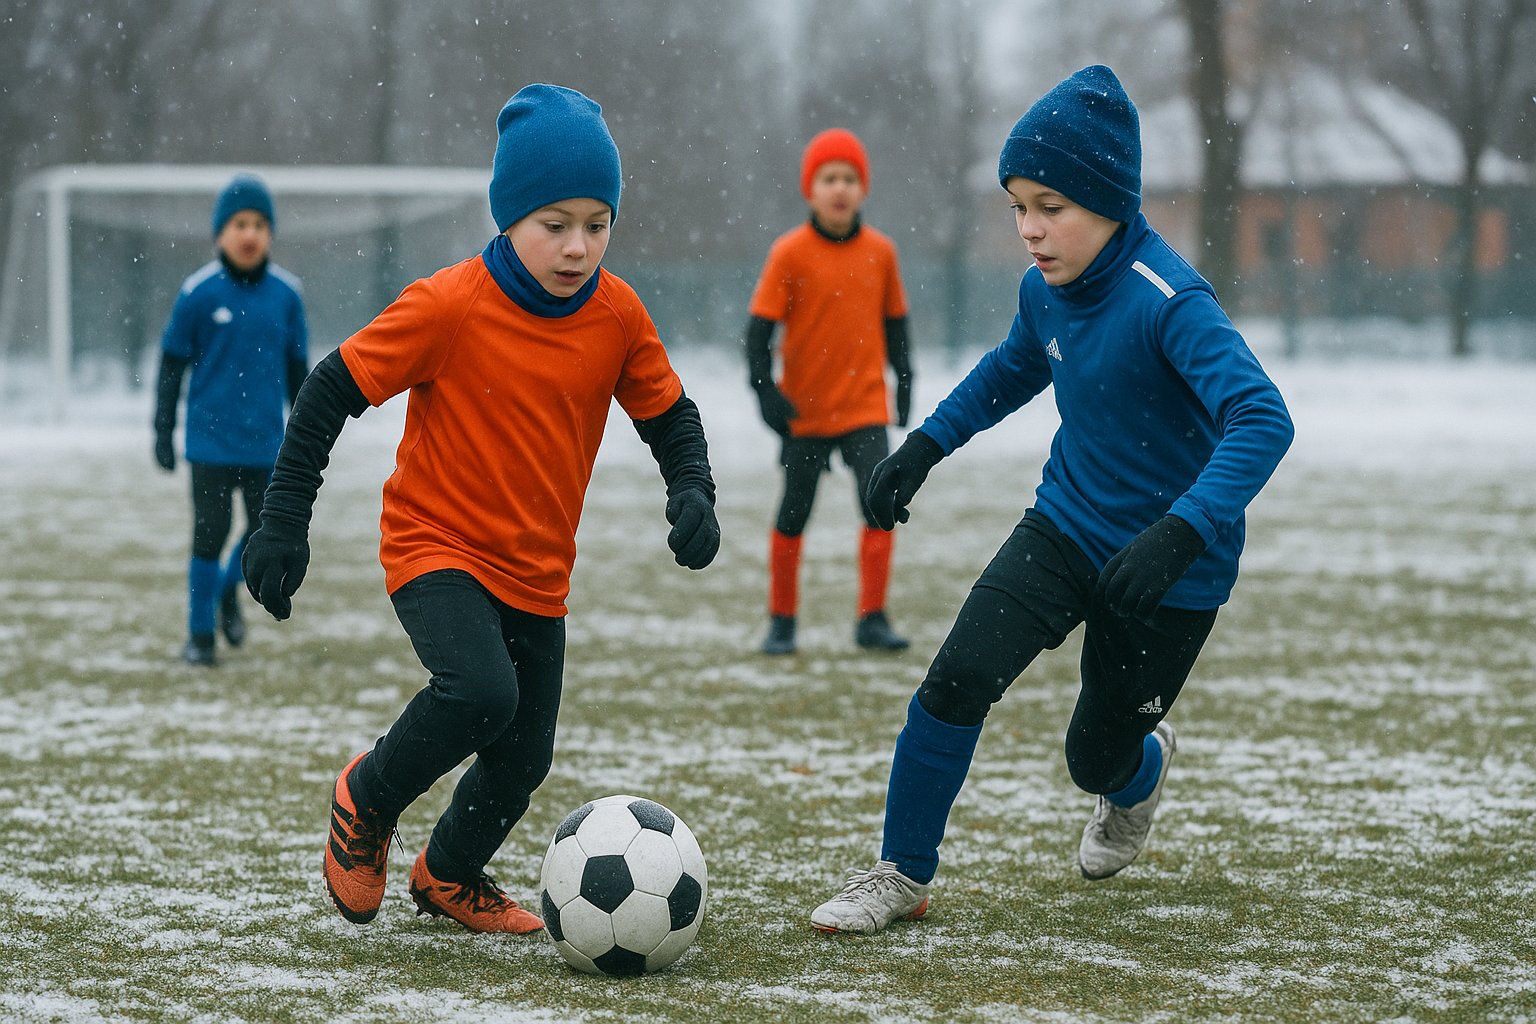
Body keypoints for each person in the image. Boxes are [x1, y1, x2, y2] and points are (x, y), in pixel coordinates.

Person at [809, 65, 1295, 934]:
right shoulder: (1046, 288)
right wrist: (923, 446)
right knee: (956, 677)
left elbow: (1262, 417)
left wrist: (1180, 532)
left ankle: (1137, 772)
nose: (1029, 231)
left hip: (1170, 569)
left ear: (1110, 201)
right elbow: (1013, 368)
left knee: (1094, 755)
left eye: (1051, 207)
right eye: (1017, 207)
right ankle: (900, 874)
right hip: (1064, 526)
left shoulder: (1169, 302)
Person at [240, 84, 721, 934]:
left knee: (523, 754)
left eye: (597, 223)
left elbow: (670, 414)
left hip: (538, 570)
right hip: (437, 545)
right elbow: (328, 392)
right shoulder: (449, 303)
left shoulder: (617, 312)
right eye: (554, 223)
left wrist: (692, 489)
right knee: (479, 692)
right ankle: (366, 798)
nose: (578, 246)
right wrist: (283, 518)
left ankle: (450, 874)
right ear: (508, 217)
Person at [745, 128, 915, 656]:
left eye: (848, 178)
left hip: (865, 406)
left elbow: (896, 326)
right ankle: (782, 620)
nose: (839, 188)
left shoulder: (882, 252)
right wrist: (766, 393)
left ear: (862, 188)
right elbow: (756, 334)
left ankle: (872, 618)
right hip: (807, 411)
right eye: (828, 178)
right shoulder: (789, 253)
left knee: (879, 504)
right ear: (809, 188)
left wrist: (905, 380)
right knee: (794, 512)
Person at [153, 173, 309, 667]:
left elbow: (300, 375)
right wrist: (161, 430)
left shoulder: (287, 295)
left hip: (267, 445)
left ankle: (226, 589)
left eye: (260, 224)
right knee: (209, 534)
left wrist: (307, 439)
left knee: (264, 534)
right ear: (221, 233)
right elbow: (171, 364)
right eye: (240, 223)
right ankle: (200, 638)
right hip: (210, 445)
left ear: (270, 234)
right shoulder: (198, 292)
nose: (250, 234)